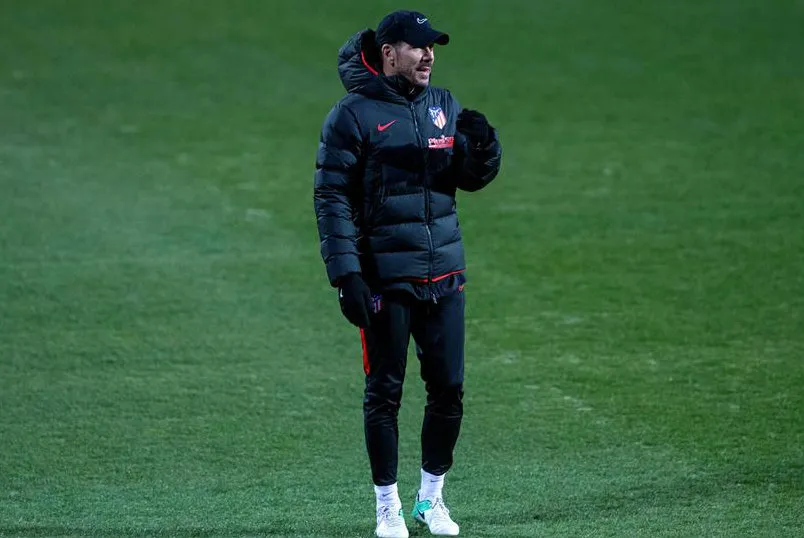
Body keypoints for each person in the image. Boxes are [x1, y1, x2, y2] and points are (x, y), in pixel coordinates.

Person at [314, 10, 501, 538]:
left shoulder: (442, 105)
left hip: (444, 273)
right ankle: (386, 506)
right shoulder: (352, 115)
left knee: (449, 390)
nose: (429, 55)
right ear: (389, 51)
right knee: (385, 393)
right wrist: (345, 273)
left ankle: (430, 500)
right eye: (418, 47)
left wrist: (484, 149)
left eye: (433, 47)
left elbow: (465, 177)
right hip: (384, 279)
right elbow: (330, 197)